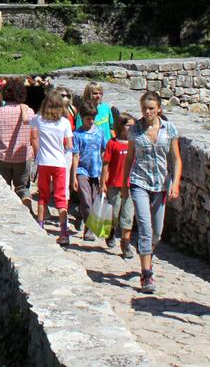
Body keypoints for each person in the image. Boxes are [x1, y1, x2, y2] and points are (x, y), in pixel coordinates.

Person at [124, 91, 182, 294]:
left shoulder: (170, 129)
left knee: (157, 231)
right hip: (140, 182)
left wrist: (175, 183)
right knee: (145, 227)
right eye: (144, 108)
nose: (147, 112)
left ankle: (147, 253)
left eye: (151, 108)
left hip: (161, 185)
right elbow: (129, 158)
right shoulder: (135, 130)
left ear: (159, 109)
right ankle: (146, 274)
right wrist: (125, 184)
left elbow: (175, 158)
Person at [31, 89, 74, 244]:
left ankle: (40, 226)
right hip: (59, 163)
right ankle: (63, 233)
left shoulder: (39, 119)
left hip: (43, 162)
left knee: (43, 196)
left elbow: (29, 125)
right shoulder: (65, 123)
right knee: (61, 198)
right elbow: (69, 144)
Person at [0, 79, 37, 211]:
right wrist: (35, 155)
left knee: (3, 187)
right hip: (22, 157)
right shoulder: (30, 113)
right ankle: (25, 199)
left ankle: (5, 211)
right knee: (22, 187)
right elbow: (34, 137)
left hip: (2, 157)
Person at [101, 114, 136, 259]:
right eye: (129, 125)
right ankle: (110, 232)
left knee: (128, 216)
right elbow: (106, 164)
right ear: (121, 126)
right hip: (115, 184)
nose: (132, 128)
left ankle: (125, 244)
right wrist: (103, 182)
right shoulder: (112, 143)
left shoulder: (135, 144)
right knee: (114, 214)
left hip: (130, 185)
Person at [71, 107, 106, 241]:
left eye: (93, 119)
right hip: (82, 170)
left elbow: (103, 152)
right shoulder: (77, 134)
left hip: (96, 170)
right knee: (86, 199)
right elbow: (76, 155)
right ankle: (89, 229)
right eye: (88, 119)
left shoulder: (100, 132)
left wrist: (105, 172)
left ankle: (80, 214)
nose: (91, 121)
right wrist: (73, 176)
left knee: (94, 199)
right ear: (82, 118)